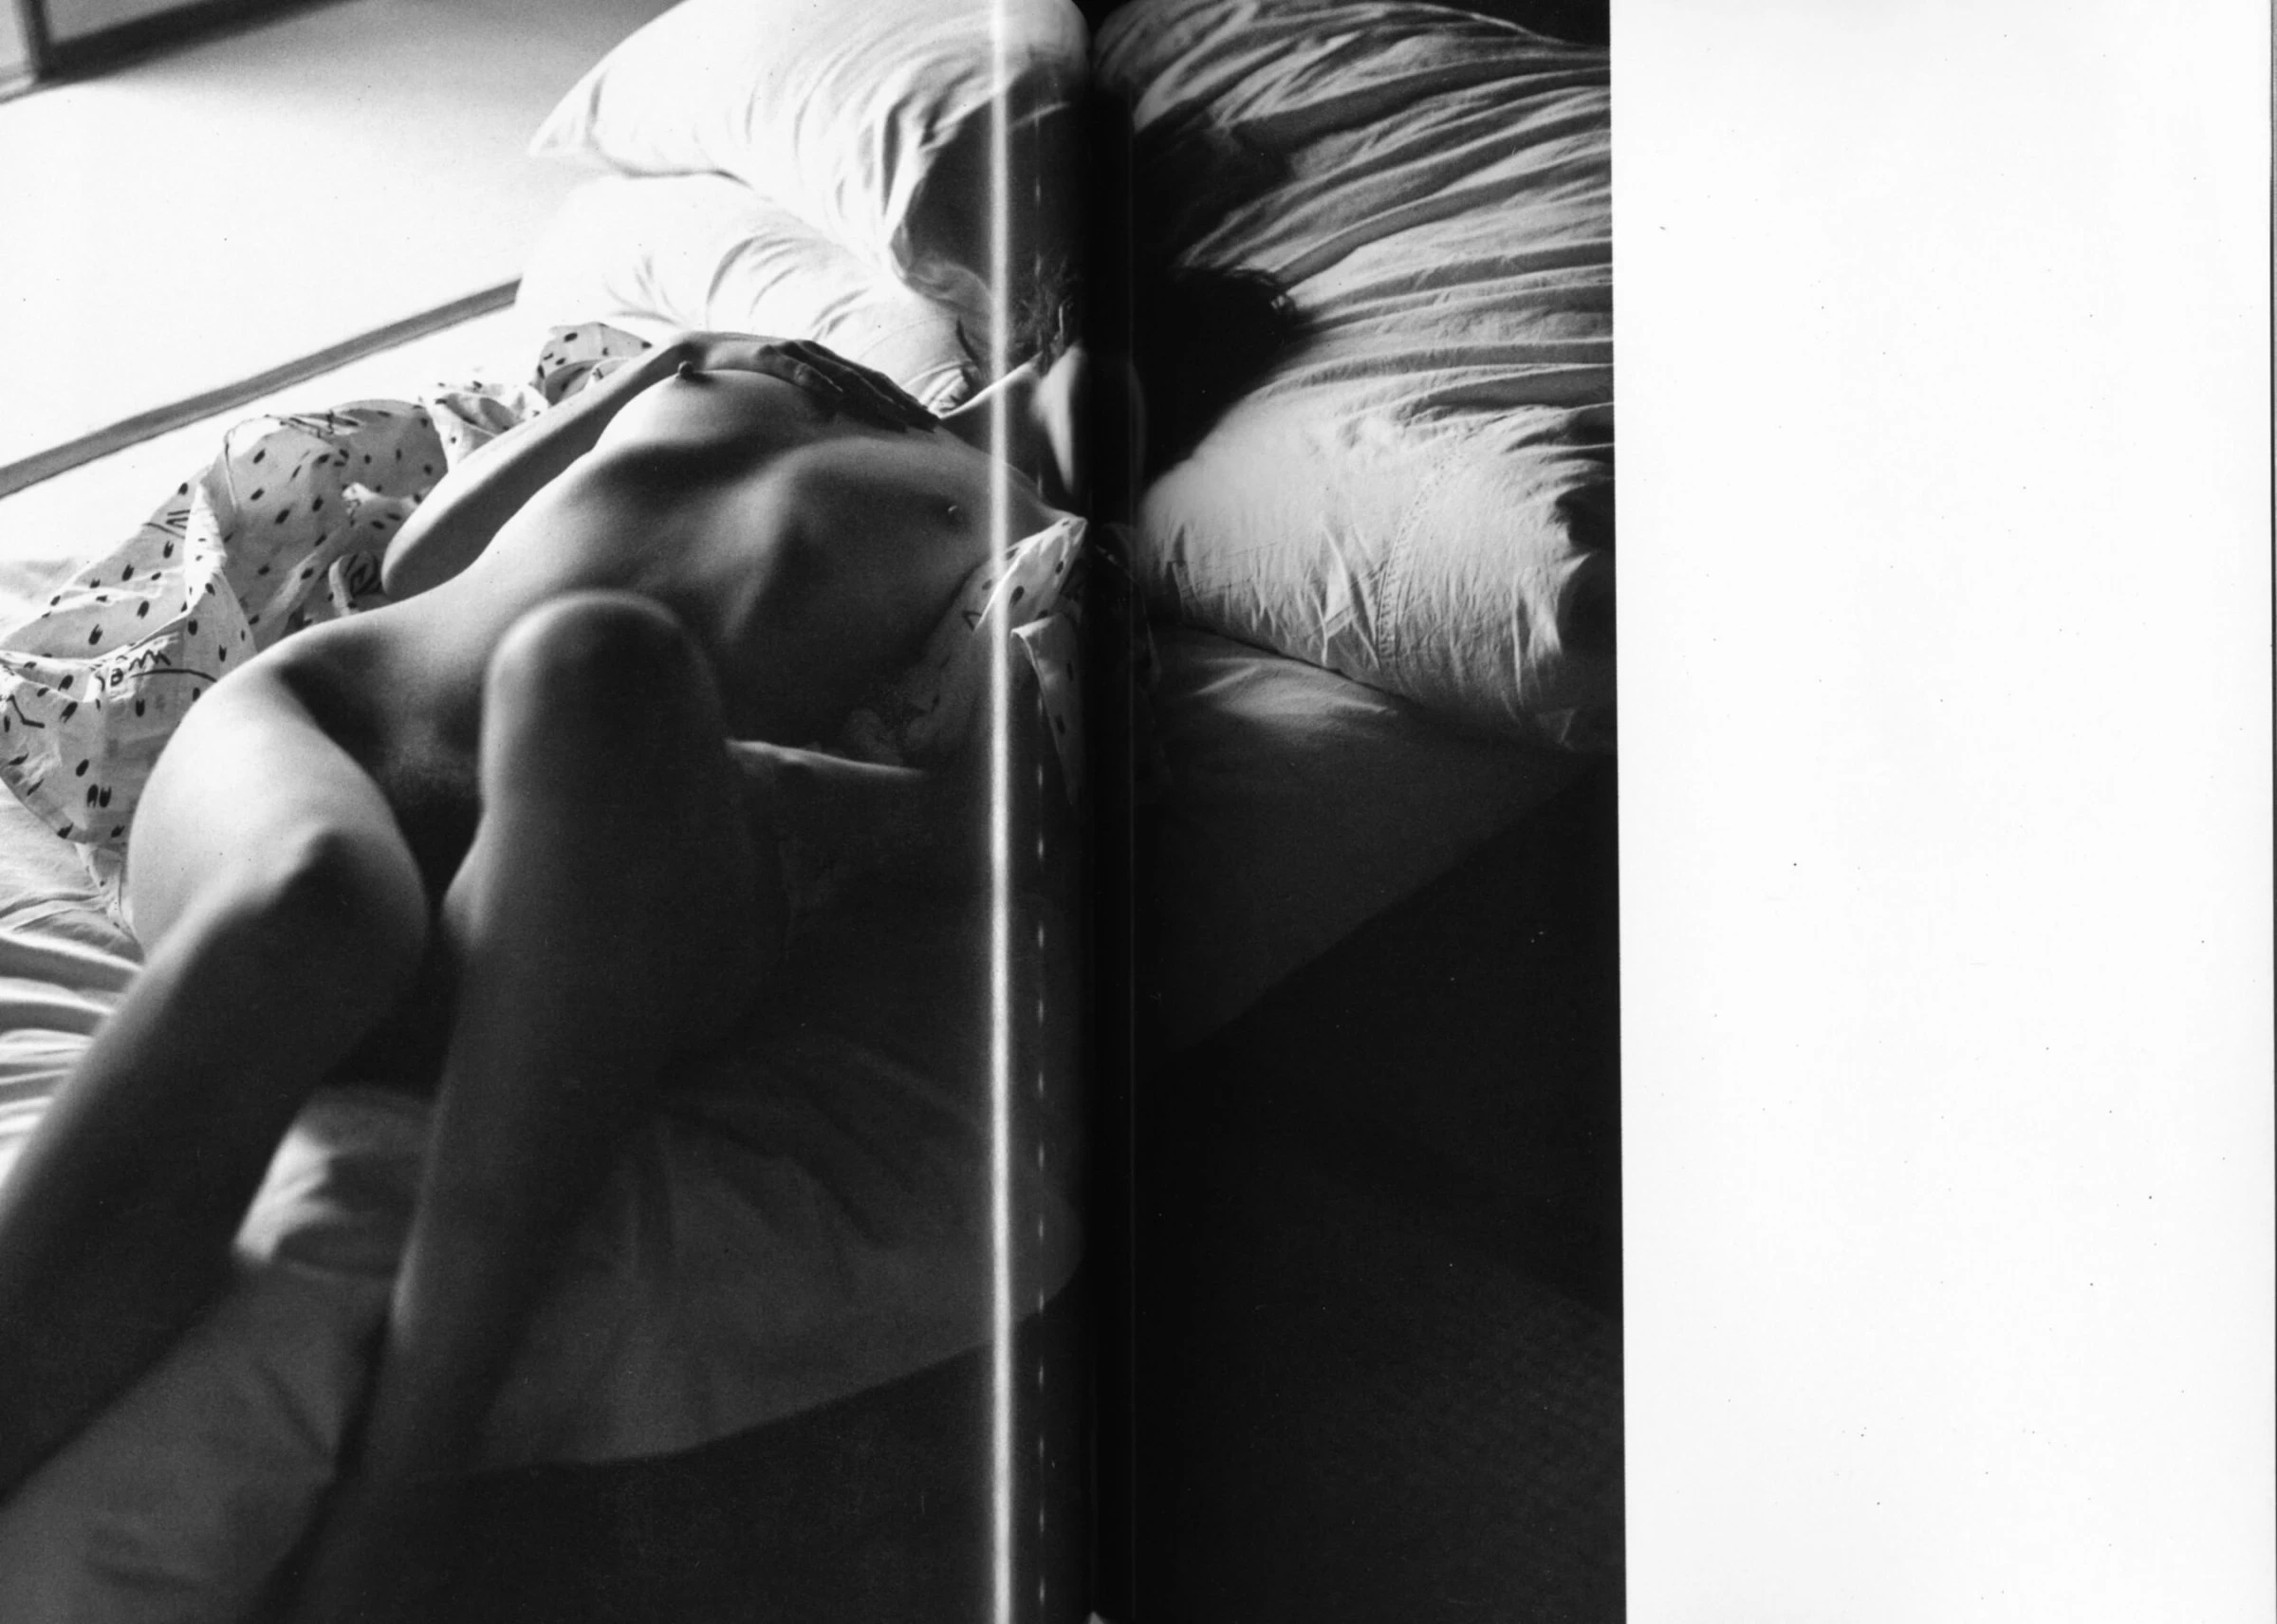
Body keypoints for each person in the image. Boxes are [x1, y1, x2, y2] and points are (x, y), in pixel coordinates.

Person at [0, 329, 1084, 1618]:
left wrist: (792, 788)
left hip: (596, 832)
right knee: (306, 907)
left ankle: (400, 1495)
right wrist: (665, 367)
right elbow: (422, 557)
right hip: (331, 714)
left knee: (596, 657)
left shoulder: (1039, 533)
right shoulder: (744, 364)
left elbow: (1018, 820)